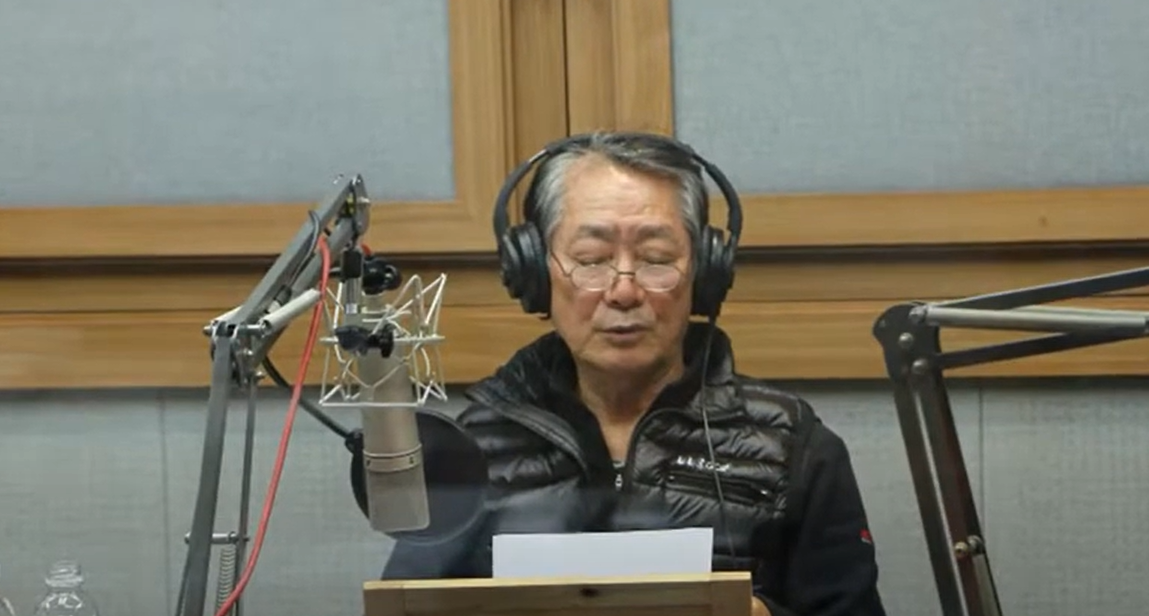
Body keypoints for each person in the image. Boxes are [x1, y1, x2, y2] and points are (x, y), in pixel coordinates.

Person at [381, 131, 886, 616]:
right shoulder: (475, 448)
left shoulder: (792, 446)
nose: (623, 291)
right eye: (592, 260)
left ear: (704, 272)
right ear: (535, 273)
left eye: (655, 259)